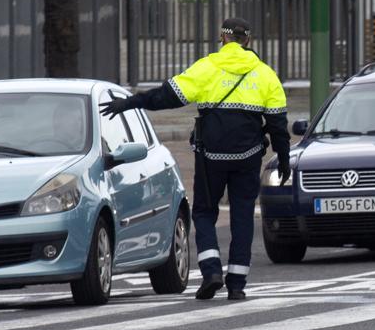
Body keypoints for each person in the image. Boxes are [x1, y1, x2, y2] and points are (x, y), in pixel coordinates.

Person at [100, 17, 290, 301]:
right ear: (247, 41)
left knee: (203, 212)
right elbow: (278, 125)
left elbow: (166, 96)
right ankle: (237, 284)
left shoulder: (207, 67)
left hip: (211, 156)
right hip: (248, 157)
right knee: (242, 217)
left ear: (223, 38)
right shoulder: (265, 74)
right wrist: (284, 160)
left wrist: (129, 102)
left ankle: (211, 271)